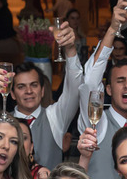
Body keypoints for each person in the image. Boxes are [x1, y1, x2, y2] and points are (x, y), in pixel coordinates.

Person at [77, 0, 127, 179]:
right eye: (120, 81)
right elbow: (90, 80)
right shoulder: (97, 124)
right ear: (109, 90)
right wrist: (114, 28)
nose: (126, 86)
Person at [9, 23, 82, 169]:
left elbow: (74, 89)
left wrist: (70, 49)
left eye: (34, 85)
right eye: (21, 87)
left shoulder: (54, 116)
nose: (29, 91)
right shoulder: (4, 122)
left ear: (42, 91)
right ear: (12, 94)